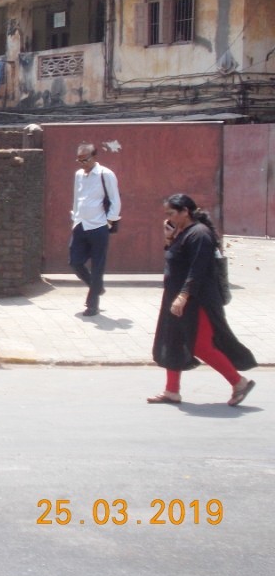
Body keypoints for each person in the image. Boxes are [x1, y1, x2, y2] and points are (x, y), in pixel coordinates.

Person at [148, 194, 257, 406]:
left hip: (197, 301)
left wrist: (183, 296)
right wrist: (169, 239)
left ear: (184, 212)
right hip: (178, 299)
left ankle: (239, 382)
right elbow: (176, 262)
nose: (167, 218)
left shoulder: (199, 234)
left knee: (201, 346)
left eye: (171, 213)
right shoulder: (183, 233)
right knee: (174, 341)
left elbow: (197, 269)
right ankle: (172, 391)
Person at [69, 143, 121, 317]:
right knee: (75, 262)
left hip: (99, 226)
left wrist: (109, 221)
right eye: (79, 160)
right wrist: (75, 217)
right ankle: (96, 286)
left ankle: (92, 305)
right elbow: (77, 198)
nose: (82, 163)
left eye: (86, 159)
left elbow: (115, 199)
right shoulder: (78, 175)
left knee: (98, 266)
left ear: (94, 157)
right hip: (81, 224)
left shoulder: (105, 174)